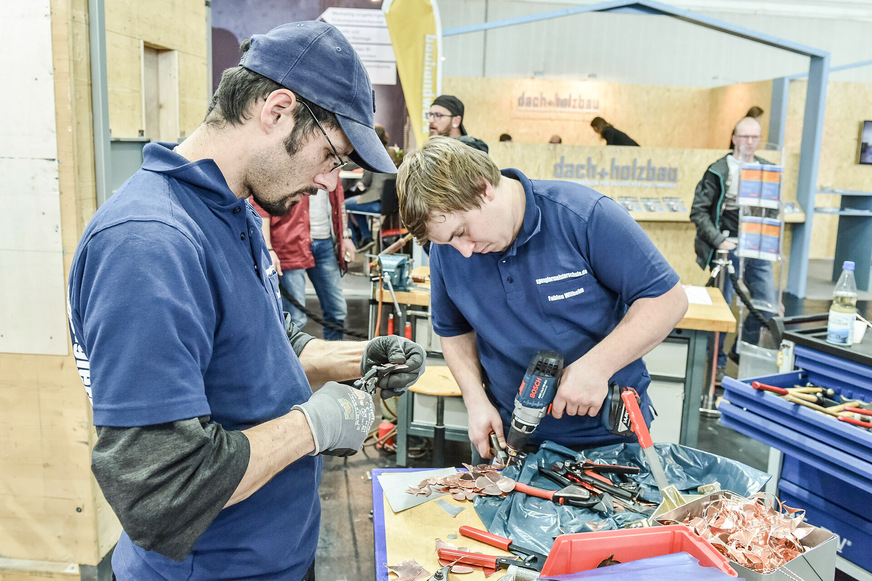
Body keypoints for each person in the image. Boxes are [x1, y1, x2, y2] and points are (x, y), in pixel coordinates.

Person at [66, 21, 426, 580]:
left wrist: (356, 359)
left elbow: (261, 348)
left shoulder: (233, 210)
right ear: (277, 110)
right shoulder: (150, 244)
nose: (331, 184)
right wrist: (314, 426)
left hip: (279, 555)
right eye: (332, 156)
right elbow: (163, 492)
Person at [396, 137, 688, 459]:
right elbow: (454, 331)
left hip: (608, 440)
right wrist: (475, 400)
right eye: (448, 242)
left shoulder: (583, 215)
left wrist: (597, 367)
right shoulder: (448, 250)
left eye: (462, 232)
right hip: (509, 438)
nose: (463, 251)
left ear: (482, 188)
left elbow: (668, 300)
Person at [691, 116, 778, 381]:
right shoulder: (718, 170)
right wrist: (719, 240)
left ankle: (740, 352)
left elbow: (773, 208)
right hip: (726, 247)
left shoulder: (768, 169)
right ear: (734, 138)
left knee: (767, 305)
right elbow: (699, 211)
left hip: (757, 248)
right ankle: (715, 364)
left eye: (755, 137)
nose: (750, 142)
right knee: (722, 308)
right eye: (745, 136)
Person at [255, 183, 355, 341]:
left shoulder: (333, 169)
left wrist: (345, 236)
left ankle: (332, 354)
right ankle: (292, 357)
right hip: (289, 244)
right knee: (295, 319)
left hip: (325, 243)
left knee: (337, 311)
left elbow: (338, 197)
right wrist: (268, 248)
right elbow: (261, 205)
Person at [345, 124, 396, 248]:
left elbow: (366, 181)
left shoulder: (373, 155)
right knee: (356, 204)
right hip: (391, 204)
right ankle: (366, 238)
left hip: (375, 200)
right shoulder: (392, 153)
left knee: (345, 205)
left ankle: (357, 242)